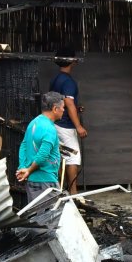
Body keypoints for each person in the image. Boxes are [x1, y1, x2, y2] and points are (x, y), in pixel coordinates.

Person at [50, 47, 87, 194]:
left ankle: (59, 190)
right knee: (72, 157)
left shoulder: (56, 79)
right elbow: (69, 103)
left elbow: (61, 102)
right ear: (71, 61)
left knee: (60, 156)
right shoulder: (68, 82)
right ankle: (73, 194)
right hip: (65, 126)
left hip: (55, 123)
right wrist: (78, 126)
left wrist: (76, 109)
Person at [16, 92, 64, 203]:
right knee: (50, 216)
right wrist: (28, 170)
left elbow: (24, 145)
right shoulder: (50, 129)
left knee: (36, 215)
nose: (64, 110)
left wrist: (22, 167)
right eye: (63, 108)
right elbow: (43, 155)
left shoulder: (34, 122)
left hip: (33, 180)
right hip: (45, 181)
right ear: (55, 109)